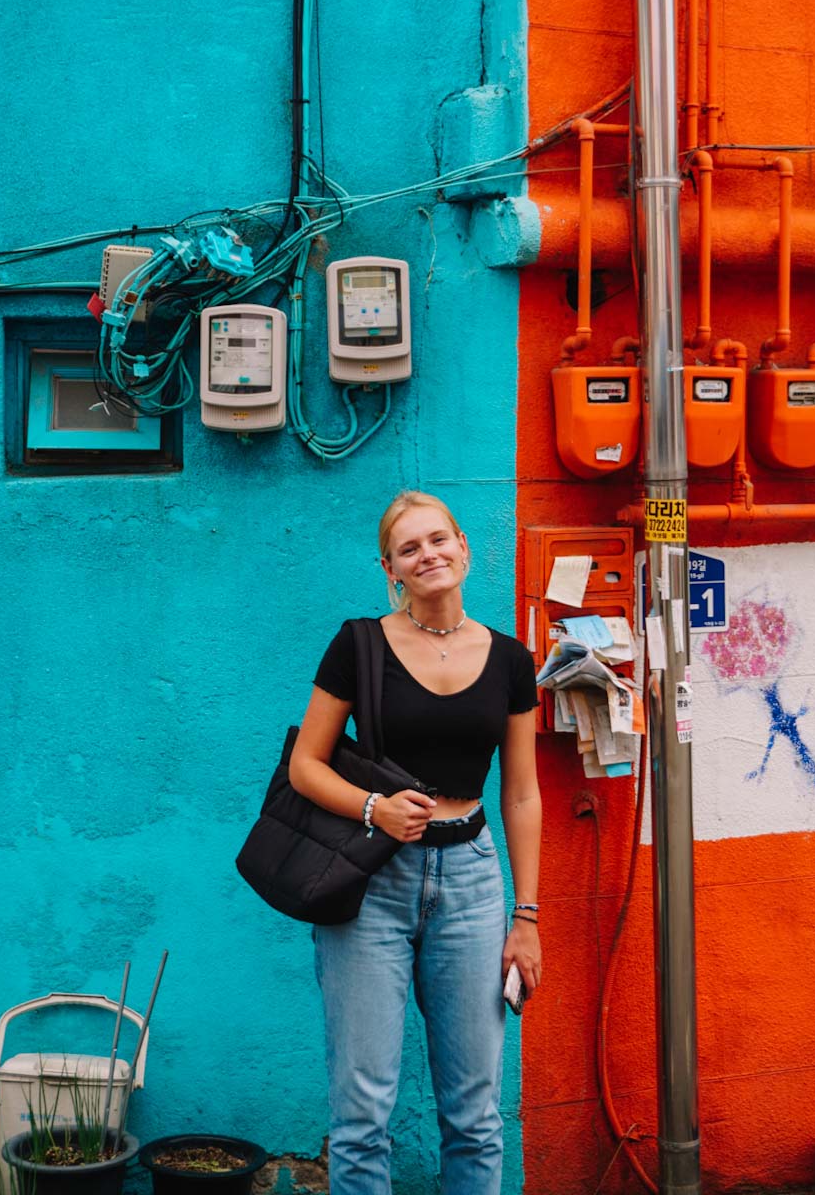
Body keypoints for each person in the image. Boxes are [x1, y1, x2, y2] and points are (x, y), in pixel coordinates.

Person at [289, 490, 542, 1195]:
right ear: (390, 570)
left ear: (464, 547)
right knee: (362, 1113)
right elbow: (304, 766)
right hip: (372, 883)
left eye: (438, 540)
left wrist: (527, 916)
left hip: (472, 882)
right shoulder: (358, 644)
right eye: (409, 548)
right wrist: (374, 807)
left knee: (476, 1113)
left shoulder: (510, 660)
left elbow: (521, 792)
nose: (427, 555)